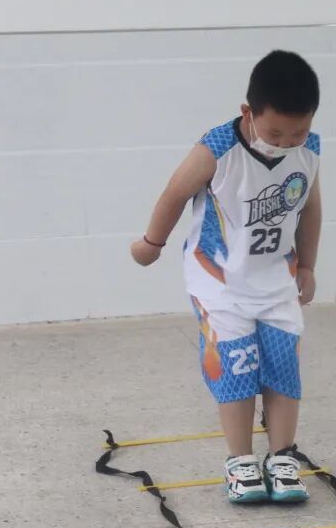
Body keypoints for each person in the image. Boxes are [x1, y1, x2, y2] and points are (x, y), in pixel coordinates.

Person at [130, 50, 322, 504]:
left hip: (275, 279)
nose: (286, 142)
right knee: (237, 366)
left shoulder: (309, 150)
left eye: (298, 132)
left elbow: (311, 208)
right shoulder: (218, 148)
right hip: (219, 282)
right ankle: (240, 462)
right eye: (275, 133)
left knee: (283, 367)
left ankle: (282, 458)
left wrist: (308, 265)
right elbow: (175, 194)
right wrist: (152, 243)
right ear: (248, 113)